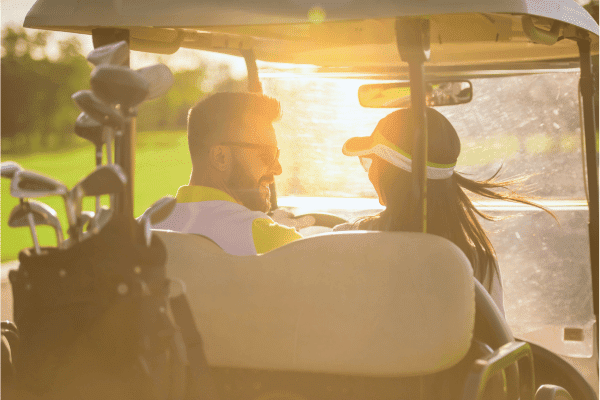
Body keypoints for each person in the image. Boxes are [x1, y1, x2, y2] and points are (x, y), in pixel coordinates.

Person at [333, 107, 556, 313]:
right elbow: (496, 344)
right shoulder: (479, 263)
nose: (369, 174)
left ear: (387, 175)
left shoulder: (341, 243)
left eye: (371, 163)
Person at [151, 92, 312, 255]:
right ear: (220, 157)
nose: (278, 169)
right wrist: (271, 227)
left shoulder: (143, 227)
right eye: (267, 155)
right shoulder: (274, 240)